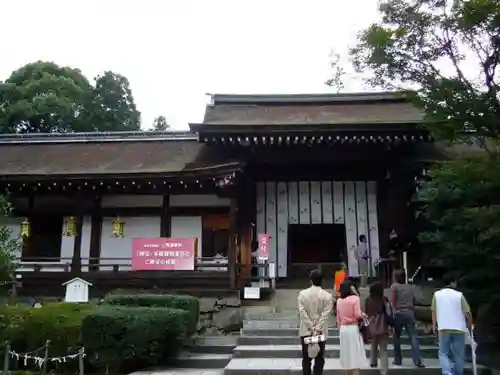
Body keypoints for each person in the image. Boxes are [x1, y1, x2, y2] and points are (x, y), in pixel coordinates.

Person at [432, 273, 473, 375]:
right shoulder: (459, 295)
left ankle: (447, 373)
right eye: (455, 282)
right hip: (459, 328)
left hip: (443, 328)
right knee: (459, 355)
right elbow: (468, 313)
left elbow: (434, 311)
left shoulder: (436, 295)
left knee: (443, 353)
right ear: (452, 282)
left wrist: (434, 325)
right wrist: (470, 328)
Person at [298, 269, 333, 375]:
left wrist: (311, 327)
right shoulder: (327, 296)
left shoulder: (303, 294)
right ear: (322, 280)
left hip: (306, 331)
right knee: (319, 358)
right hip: (320, 332)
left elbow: (302, 313)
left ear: (311, 280)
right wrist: (317, 328)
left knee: (306, 358)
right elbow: (325, 314)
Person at [391, 269, 425, 367]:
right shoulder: (411, 287)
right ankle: (417, 360)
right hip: (409, 313)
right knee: (413, 336)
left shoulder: (394, 287)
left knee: (396, 337)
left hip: (398, 313)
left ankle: (398, 360)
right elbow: (414, 300)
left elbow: (393, 301)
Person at [336, 280, 368, 375]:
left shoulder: (339, 301)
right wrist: (363, 315)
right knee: (355, 356)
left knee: (347, 356)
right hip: (352, 328)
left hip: (343, 329)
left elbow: (338, 318)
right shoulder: (355, 298)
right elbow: (357, 314)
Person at [365, 281, 390, 375]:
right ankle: (384, 370)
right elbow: (389, 313)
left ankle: (373, 362)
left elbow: (366, 313)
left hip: (372, 324)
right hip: (383, 326)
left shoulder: (368, 300)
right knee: (383, 349)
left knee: (374, 343)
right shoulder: (385, 299)